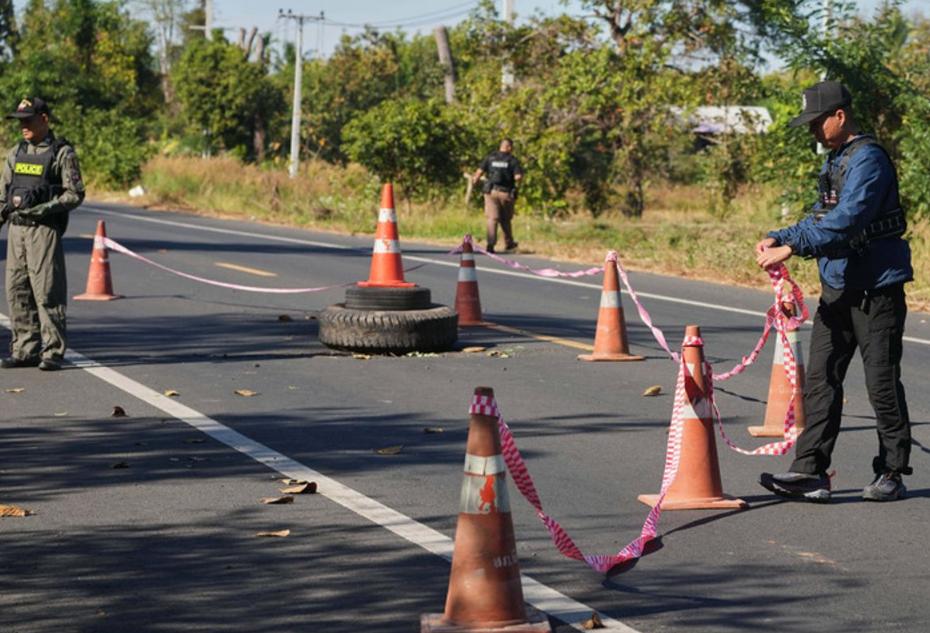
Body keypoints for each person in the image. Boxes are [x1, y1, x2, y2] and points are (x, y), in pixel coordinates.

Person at [756, 81, 912, 503]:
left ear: (839, 116)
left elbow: (848, 220)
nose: (812, 131)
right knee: (821, 379)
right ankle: (810, 472)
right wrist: (780, 236)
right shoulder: (837, 159)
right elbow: (820, 214)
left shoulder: (869, 160)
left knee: (881, 383)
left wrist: (794, 247)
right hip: (838, 287)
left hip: (876, 291)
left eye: (816, 122)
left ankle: (893, 471)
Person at [0, 97, 85, 371]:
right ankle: (25, 349)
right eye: (20, 121)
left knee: (47, 292)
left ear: (44, 119)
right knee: (17, 290)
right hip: (16, 231)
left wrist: (44, 209)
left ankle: (53, 352)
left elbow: (75, 194)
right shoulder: (16, 152)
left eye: (28, 119)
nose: (23, 126)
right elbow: (3, 196)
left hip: (43, 230)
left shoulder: (62, 152)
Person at [472, 138, 523, 253]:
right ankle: (509, 243)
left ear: (501, 146)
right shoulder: (512, 160)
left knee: (492, 218)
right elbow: (518, 177)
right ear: (509, 147)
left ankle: (490, 245)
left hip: (491, 192)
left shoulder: (490, 157)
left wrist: (475, 180)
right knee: (506, 219)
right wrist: (518, 185)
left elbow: (479, 172)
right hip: (506, 193)